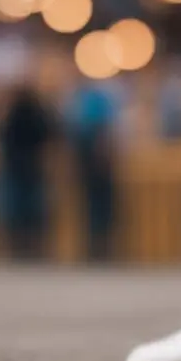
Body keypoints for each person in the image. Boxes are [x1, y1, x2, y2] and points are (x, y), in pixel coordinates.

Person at [0, 86, 55, 261]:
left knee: (19, 209)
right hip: (31, 167)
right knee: (30, 210)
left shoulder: (11, 115)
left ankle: (18, 247)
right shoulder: (39, 114)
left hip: (18, 167)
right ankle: (32, 247)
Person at [65, 81, 120, 263]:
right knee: (96, 208)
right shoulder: (93, 102)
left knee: (97, 208)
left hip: (92, 163)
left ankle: (99, 247)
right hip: (92, 164)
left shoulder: (84, 102)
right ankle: (98, 247)